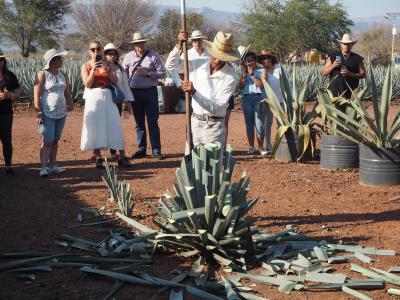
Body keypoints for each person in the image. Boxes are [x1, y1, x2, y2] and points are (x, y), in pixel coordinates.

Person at [166, 31, 239, 151]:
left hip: (213, 126)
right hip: (195, 123)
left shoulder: (230, 77)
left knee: (210, 167)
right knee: (192, 165)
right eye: (216, 55)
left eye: (222, 57)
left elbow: (218, 108)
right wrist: (179, 46)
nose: (218, 60)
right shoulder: (199, 63)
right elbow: (170, 65)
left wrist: (194, 92)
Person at [80, 41, 127, 168]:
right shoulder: (86, 65)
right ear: (89, 51)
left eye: (98, 48)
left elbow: (115, 80)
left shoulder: (108, 64)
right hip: (93, 96)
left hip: (107, 95)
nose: (96, 51)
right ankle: (98, 157)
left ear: (101, 50)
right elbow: (87, 84)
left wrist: (109, 71)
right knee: (95, 125)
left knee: (114, 124)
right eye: (93, 49)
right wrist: (93, 70)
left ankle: (122, 156)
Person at [122, 32, 166, 160]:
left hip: (150, 92)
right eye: (137, 43)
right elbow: (124, 76)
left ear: (145, 43)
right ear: (134, 45)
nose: (140, 45)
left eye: (141, 42)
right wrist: (126, 95)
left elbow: (163, 73)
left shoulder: (154, 55)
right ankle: (141, 149)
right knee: (139, 122)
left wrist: (148, 73)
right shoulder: (128, 57)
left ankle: (156, 150)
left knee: (153, 121)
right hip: (134, 93)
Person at [34, 49, 74, 177]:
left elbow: (67, 92)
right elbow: (36, 95)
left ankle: (53, 165)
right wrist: (39, 112)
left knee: (55, 140)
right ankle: (43, 168)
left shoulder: (63, 74)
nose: (61, 60)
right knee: (47, 140)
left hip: (61, 113)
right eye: (59, 58)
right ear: (52, 60)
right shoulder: (42, 74)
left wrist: (71, 104)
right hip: (47, 112)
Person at [100, 42, 133, 167]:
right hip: (103, 101)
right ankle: (112, 153)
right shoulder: (100, 67)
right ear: (105, 55)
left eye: (114, 54)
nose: (112, 56)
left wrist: (128, 101)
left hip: (117, 100)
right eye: (109, 54)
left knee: (116, 127)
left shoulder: (120, 68)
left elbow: (125, 85)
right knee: (106, 127)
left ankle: (120, 154)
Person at [238, 51, 266, 155]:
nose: (250, 62)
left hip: (258, 98)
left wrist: (252, 75)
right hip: (247, 98)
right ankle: (251, 146)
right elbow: (240, 87)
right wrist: (244, 76)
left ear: (255, 61)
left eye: (252, 60)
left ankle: (261, 147)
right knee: (249, 124)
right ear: (245, 62)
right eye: (248, 60)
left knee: (259, 124)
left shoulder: (261, 71)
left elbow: (261, 85)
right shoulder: (244, 73)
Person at [322, 33, 366, 99]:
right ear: (341, 45)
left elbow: (363, 74)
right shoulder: (333, 56)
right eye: (344, 44)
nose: (346, 46)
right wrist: (333, 65)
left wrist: (350, 74)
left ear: (352, 45)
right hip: (334, 93)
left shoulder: (357, 58)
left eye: (348, 44)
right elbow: (324, 73)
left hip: (351, 94)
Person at [0, 49, 21, 175]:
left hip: (6, 113)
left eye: (1, 59)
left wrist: (10, 96)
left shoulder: (10, 76)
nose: (0, 62)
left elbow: (18, 93)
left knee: (6, 139)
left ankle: (8, 166)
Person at [258, 49, 284, 153]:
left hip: (281, 99)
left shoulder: (279, 68)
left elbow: (285, 83)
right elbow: (263, 84)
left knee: (281, 123)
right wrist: (264, 70)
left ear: (271, 58)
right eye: (263, 58)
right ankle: (268, 145)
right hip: (269, 100)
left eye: (267, 57)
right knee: (267, 123)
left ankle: (281, 143)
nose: (265, 60)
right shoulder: (262, 71)